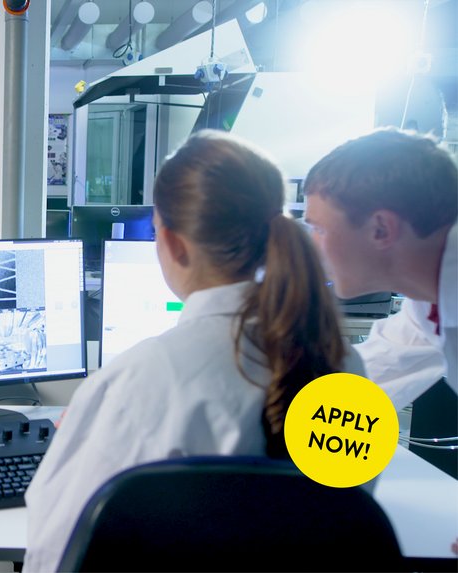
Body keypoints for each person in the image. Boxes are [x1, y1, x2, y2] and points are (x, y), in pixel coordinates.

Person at [22, 130, 364, 572]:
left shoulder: (138, 379)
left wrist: (90, 424)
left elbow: (57, 550)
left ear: (173, 243)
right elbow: (346, 519)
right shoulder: (347, 367)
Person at [303, 128, 457, 408]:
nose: (310, 247)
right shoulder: (429, 301)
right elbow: (379, 367)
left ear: (381, 229)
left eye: (319, 229)